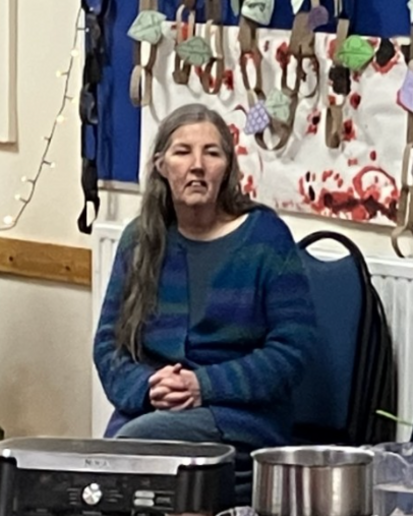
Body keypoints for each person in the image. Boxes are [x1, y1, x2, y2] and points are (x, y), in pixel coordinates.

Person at [94, 104, 316, 459]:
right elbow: (108, 345)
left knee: (132, 448)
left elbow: (293, 350)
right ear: (161, 166)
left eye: (211, 153)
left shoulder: (265, 238)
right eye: (182, 152)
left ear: (227, 167)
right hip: (150, 408)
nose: (197, 165)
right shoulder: (140, 240)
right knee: (98, 468)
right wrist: (148, 387)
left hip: (240, 417)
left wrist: (203, 386)